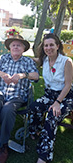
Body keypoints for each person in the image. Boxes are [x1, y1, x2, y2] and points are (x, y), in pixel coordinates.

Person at [0, 35, 39, 163]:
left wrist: (22, 75)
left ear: (23, 49)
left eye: (19, 45)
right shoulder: (2, 58)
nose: (16, 47)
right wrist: (2, 74)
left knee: (7, 109)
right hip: (0, 91)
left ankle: (3, 144)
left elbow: (36, 76)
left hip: (17, 95)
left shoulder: (28, 61)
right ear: (9, 48)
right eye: (13, 45)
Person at [29, 33, 73, 163]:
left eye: (51, 45)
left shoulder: (66, 62)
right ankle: (35, 130)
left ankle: (44, 156)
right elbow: (34, 60)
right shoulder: (45, 59)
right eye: (46, 45)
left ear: (58, 46)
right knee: (34, 106)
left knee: (52, 115)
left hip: (66, 96)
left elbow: (68, 85)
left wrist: (57, 102)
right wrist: (18, 56)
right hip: (50, 94)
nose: (48, 48)